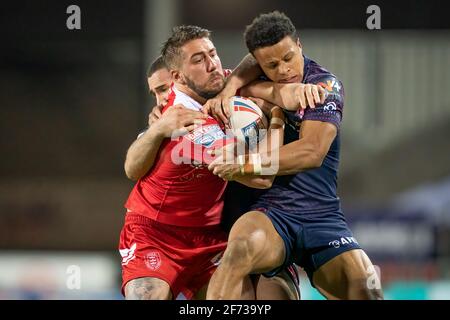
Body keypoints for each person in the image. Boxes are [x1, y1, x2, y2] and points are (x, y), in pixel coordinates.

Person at [205, 11, 383, 300]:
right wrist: (232, 88)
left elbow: (312, 152)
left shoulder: (323, 86)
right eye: (272, 65)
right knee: (237, 252)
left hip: (322, 215)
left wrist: (243, 164)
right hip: (273, 213)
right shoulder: (250, 85)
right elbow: (243, 69)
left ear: (299, 44)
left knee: (367, 287)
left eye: (288, 57)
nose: (284, 69)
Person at [118, 25, 288, 300]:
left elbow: (257, 59)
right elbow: (262, 175)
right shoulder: (185, 123)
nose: (212, 65)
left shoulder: (215, 86)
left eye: (212, 54)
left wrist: (233, 85)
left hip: (207, 236)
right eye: (198, 60)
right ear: (178, 76)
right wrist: (276, 117)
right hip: (155, 236)